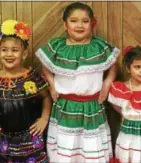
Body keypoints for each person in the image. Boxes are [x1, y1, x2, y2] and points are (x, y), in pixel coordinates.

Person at [35, 2, 120, 162]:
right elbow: (45, 66)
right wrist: (52, 85)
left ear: (92, 23)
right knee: (66, 149)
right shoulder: (57, 47)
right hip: (65, 108)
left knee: (91, 149)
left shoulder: (98, 47)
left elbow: (113, 64)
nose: (79, 25)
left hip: (92, 108)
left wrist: (107, 83)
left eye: (85, 21)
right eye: (74, 21)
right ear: (65, 24)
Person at [0, 19, 51, 162]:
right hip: (0, 138)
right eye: (4, 50)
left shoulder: (32, 78)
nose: (9, 54)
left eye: (15, 50)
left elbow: (46, 97)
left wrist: (44, 118)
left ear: (24, 54)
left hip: (29, 138)